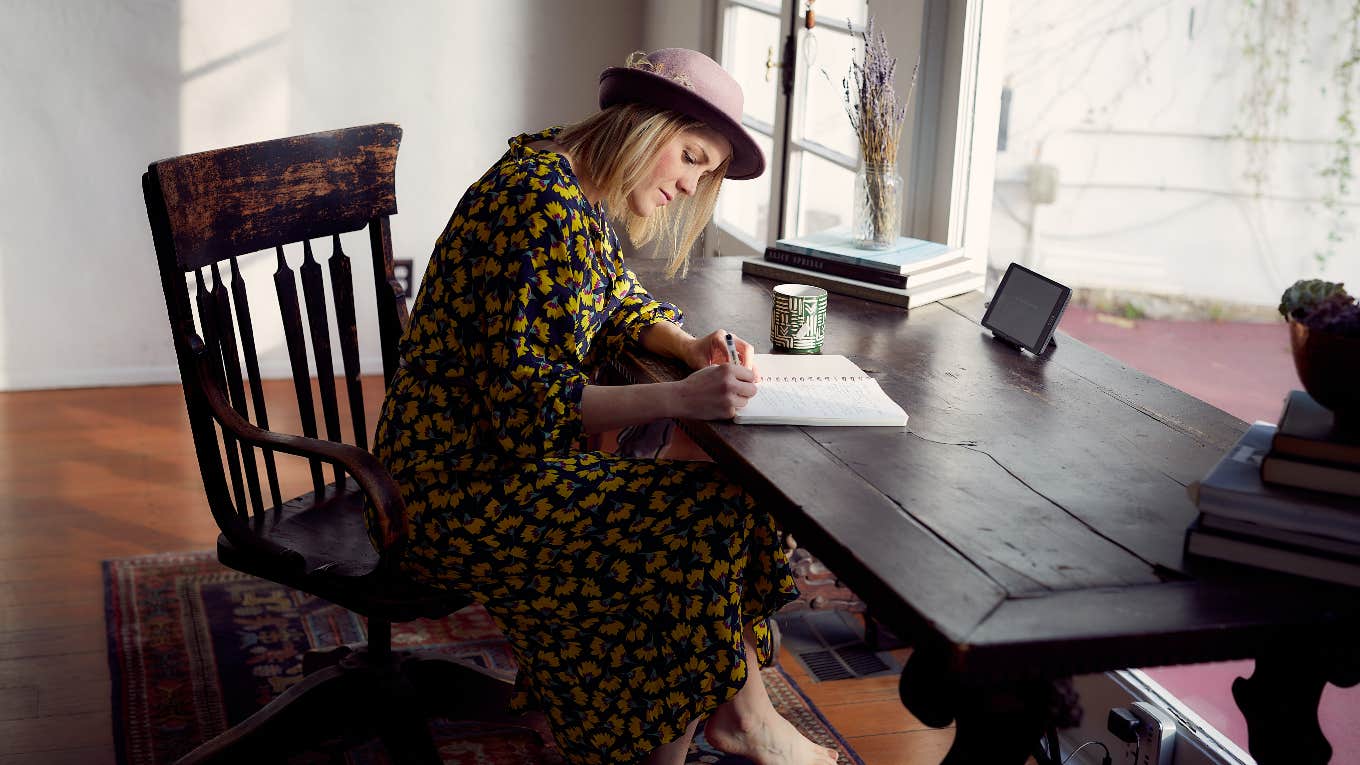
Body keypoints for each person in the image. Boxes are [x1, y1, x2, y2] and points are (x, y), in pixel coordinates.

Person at [368, 48, 839, 765]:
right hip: (448, 487)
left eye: (704, 172)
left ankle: (740, 716)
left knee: (720, 500)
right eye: (689, 157)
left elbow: (611, 294)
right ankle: (710, 732)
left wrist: (685, 343)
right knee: (694, 521)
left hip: (481, 464)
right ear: (644, 126)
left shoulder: (563, 176)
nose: (689, 184)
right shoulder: (539, 204)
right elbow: (527, 409)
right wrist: (680, 394)